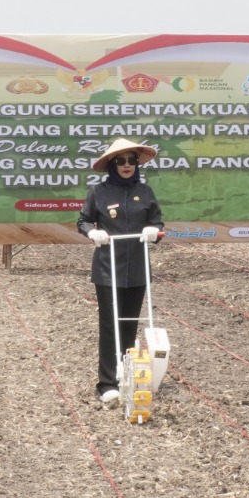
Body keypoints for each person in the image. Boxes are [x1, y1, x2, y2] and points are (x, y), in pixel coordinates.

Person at [76, 138, 164, 404]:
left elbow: (157, 222)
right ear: (112, 165)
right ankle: (106, 383)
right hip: (108, 268)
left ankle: (128, 372)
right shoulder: (98, 193)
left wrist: (154, 232)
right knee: (109, 324)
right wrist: (93, 232)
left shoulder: (145, 191)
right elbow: (83, 220)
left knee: (130, 325)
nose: (127, 166)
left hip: (137, 267)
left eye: (131, 161)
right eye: (121, 161)